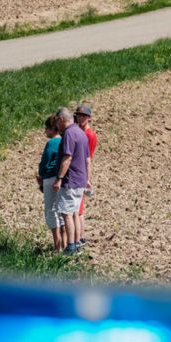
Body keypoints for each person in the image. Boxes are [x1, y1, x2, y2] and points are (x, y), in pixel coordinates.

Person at [51, 108, 89, 254]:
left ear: (61, 119)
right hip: (80, 179)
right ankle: (75, 243)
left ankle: (71, 246)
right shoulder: (81, 133)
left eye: (57, 122)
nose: (56, 126)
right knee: (74, 213)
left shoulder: (68, 134)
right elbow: (87, 159)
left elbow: (67, 158)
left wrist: (59, 178)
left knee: (67, 214)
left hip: (70, 180)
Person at [36, 116, 63, 252]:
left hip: (50, 178)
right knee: (61, 211)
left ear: (53, 129)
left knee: (51, 211)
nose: (45, 131)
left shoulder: (52, 142)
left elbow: (46, 160)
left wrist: (41, 175)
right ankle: (64, 243)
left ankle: (56, 245)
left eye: (46, 128)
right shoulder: (64, 141)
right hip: (61, 178)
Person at [74, 103, 96, 248]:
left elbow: (88, 158)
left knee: (79, 209)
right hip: (78, 172)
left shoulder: (89, 135)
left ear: (88, 118)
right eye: (78, 115)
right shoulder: (80, 132)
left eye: (83, 116)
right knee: (78, 208)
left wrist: (86, 178)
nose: (80, 118)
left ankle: (80, 238)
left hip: (80, 173)